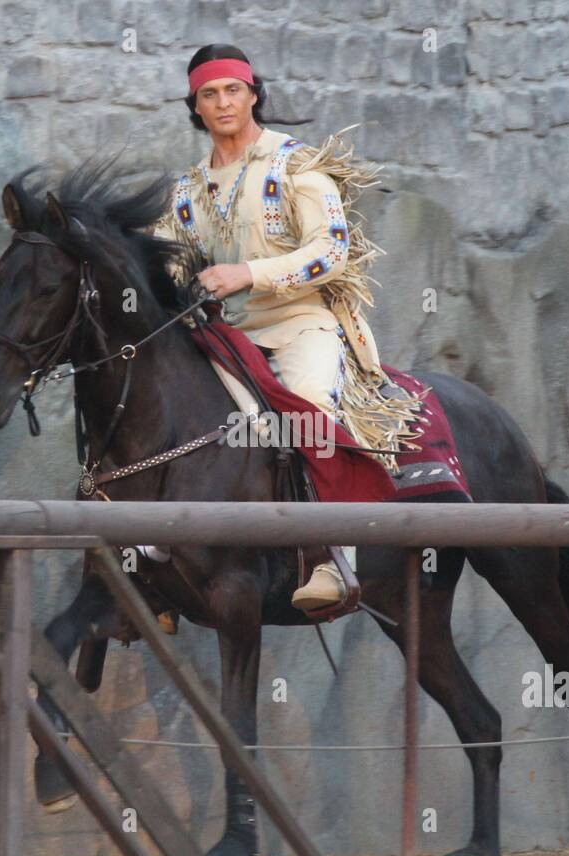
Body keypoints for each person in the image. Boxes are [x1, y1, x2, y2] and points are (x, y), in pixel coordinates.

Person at [154, 43, 421, 611]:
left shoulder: (296, 164)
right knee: (180, 416)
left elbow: (332, 251)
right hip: (226, 338)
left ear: (253, 95)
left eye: (233, 90)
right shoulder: (184, 193)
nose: (223, 102)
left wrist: (247, 272)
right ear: (195, 107)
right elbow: (171, 262)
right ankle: (158, 557)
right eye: (209, 94)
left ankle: (333, 560)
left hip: (302, 325)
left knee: (306, 410)